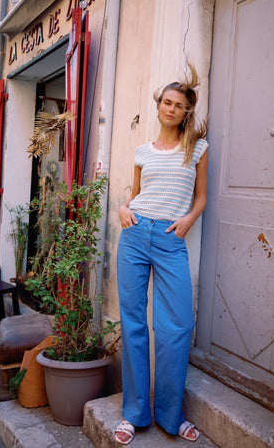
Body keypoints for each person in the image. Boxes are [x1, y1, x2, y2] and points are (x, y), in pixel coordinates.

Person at [115, 64, 208, 445]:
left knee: (177, 327)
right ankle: (134, 414)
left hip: (171, 238)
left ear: (187, 111)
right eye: (166, 102)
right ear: (158, 107)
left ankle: (171, 416)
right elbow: (135, 192)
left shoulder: (197, 148)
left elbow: (201, 195)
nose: (171, 109)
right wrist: (124, 207)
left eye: (178, 105)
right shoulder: (142, 151)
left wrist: (188, 219)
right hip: (136, 235)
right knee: (134, 323)